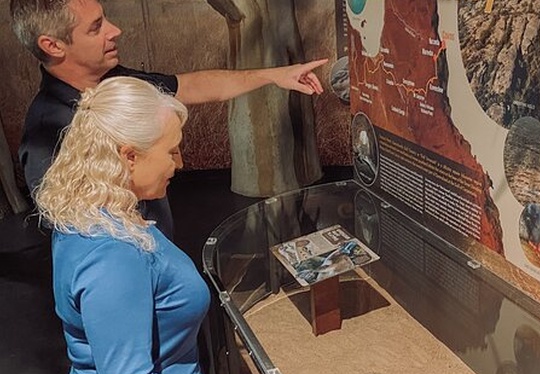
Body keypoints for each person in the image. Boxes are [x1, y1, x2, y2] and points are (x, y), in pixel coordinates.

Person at [33, 76, 284, 374]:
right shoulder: (114, 254)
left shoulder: (90, 211)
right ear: (128, 155)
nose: (181, 162)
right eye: (170, 151)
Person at [12, 0, 326, 239]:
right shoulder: (47, 133)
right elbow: (75, 233)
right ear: (52, 45)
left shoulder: (117, 81)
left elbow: (191, 86)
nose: (115, 30)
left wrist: (276, 74)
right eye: (96, 27)